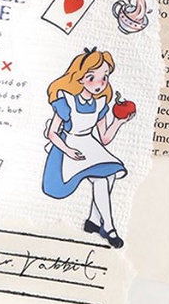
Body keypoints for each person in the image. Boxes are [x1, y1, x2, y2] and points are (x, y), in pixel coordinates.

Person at [42, 48, 134, 248]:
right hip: (68, 146)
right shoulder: (67, 102)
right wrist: (68, 151)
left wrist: (119, 121)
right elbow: (52, 133)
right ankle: (108, 227)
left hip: (89, 145)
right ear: (80, 78)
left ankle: (93, 221)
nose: (100, 83)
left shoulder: (100, 104)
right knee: (101, 179)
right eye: (92, 77)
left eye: (105, 77)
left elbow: (105, 138)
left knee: (109, 174)